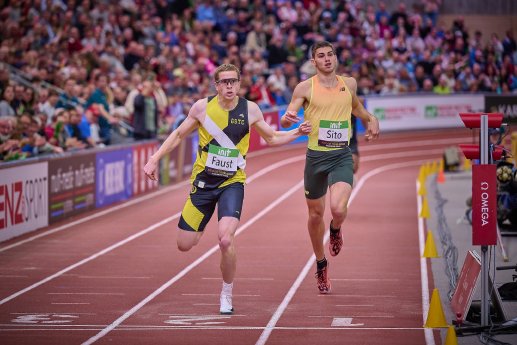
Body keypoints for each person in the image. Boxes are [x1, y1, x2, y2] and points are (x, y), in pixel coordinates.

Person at [143, 63, 311, 315]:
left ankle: (226, 293)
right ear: (217, 85)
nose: (229, 86)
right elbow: (178, 135)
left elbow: (272, 137)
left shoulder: (250, 109)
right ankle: (201, 222)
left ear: (239, 83)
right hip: (202, 183)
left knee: (224, 238)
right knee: (185, 244)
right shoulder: (202, 107)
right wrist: (154, 158)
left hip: (232, 182)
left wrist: (297, 131)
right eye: (224, 82)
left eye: (233, 81)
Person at [280, 41, 380, 294]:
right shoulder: (305, 87)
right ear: (313, 62)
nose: (327, 59)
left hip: (341, 156)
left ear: (336, 58)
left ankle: (335, 229)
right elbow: (288, 114)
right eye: (321, 56)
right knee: (315, 216)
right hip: (315, 158)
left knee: (337, 208)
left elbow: (356, 107)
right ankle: (321, 264)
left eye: (330, 54)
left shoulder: (350, 83)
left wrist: (372, 119)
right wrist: (288, 118)